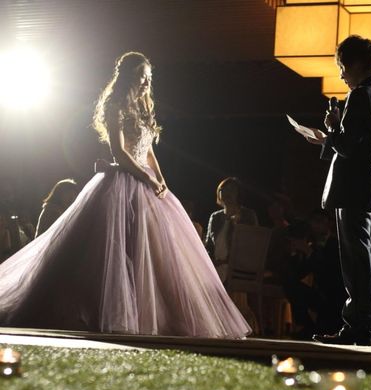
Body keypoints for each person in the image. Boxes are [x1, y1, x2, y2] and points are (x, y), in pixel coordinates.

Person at [0, 52, 251, 338]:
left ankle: (152, 315)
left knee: (152, 251)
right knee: (116, 249)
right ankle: (110, 313)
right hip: (121, 183)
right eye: (142, 77)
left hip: (146, 182)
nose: (146, 83)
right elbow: (119, 152)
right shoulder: (115, 106)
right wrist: (146, 177)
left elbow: (149, 152)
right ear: (128, 76)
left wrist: (160, 180)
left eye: (149, 78)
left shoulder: (143, 109)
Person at [302, 35, 371, 346]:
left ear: (356, 64)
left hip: (354, 189)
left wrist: (331, 129)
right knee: (367, 260)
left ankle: (357, 326)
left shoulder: (361, 95)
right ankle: (362, 325)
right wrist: (336, 131)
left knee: (356, 262)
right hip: (370, 189)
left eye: (342, 66)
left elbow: (348, 146)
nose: (341, 74)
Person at [205, 177, 258, 282]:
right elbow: (209, 246)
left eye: (231, 189)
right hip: (215, 267)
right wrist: (211, 261)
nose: (227, 193)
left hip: (238, 269)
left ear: (238, 193)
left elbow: (252, 246)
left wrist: (226, 261)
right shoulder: (215, 217)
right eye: (223, 189)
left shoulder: (248, 215)